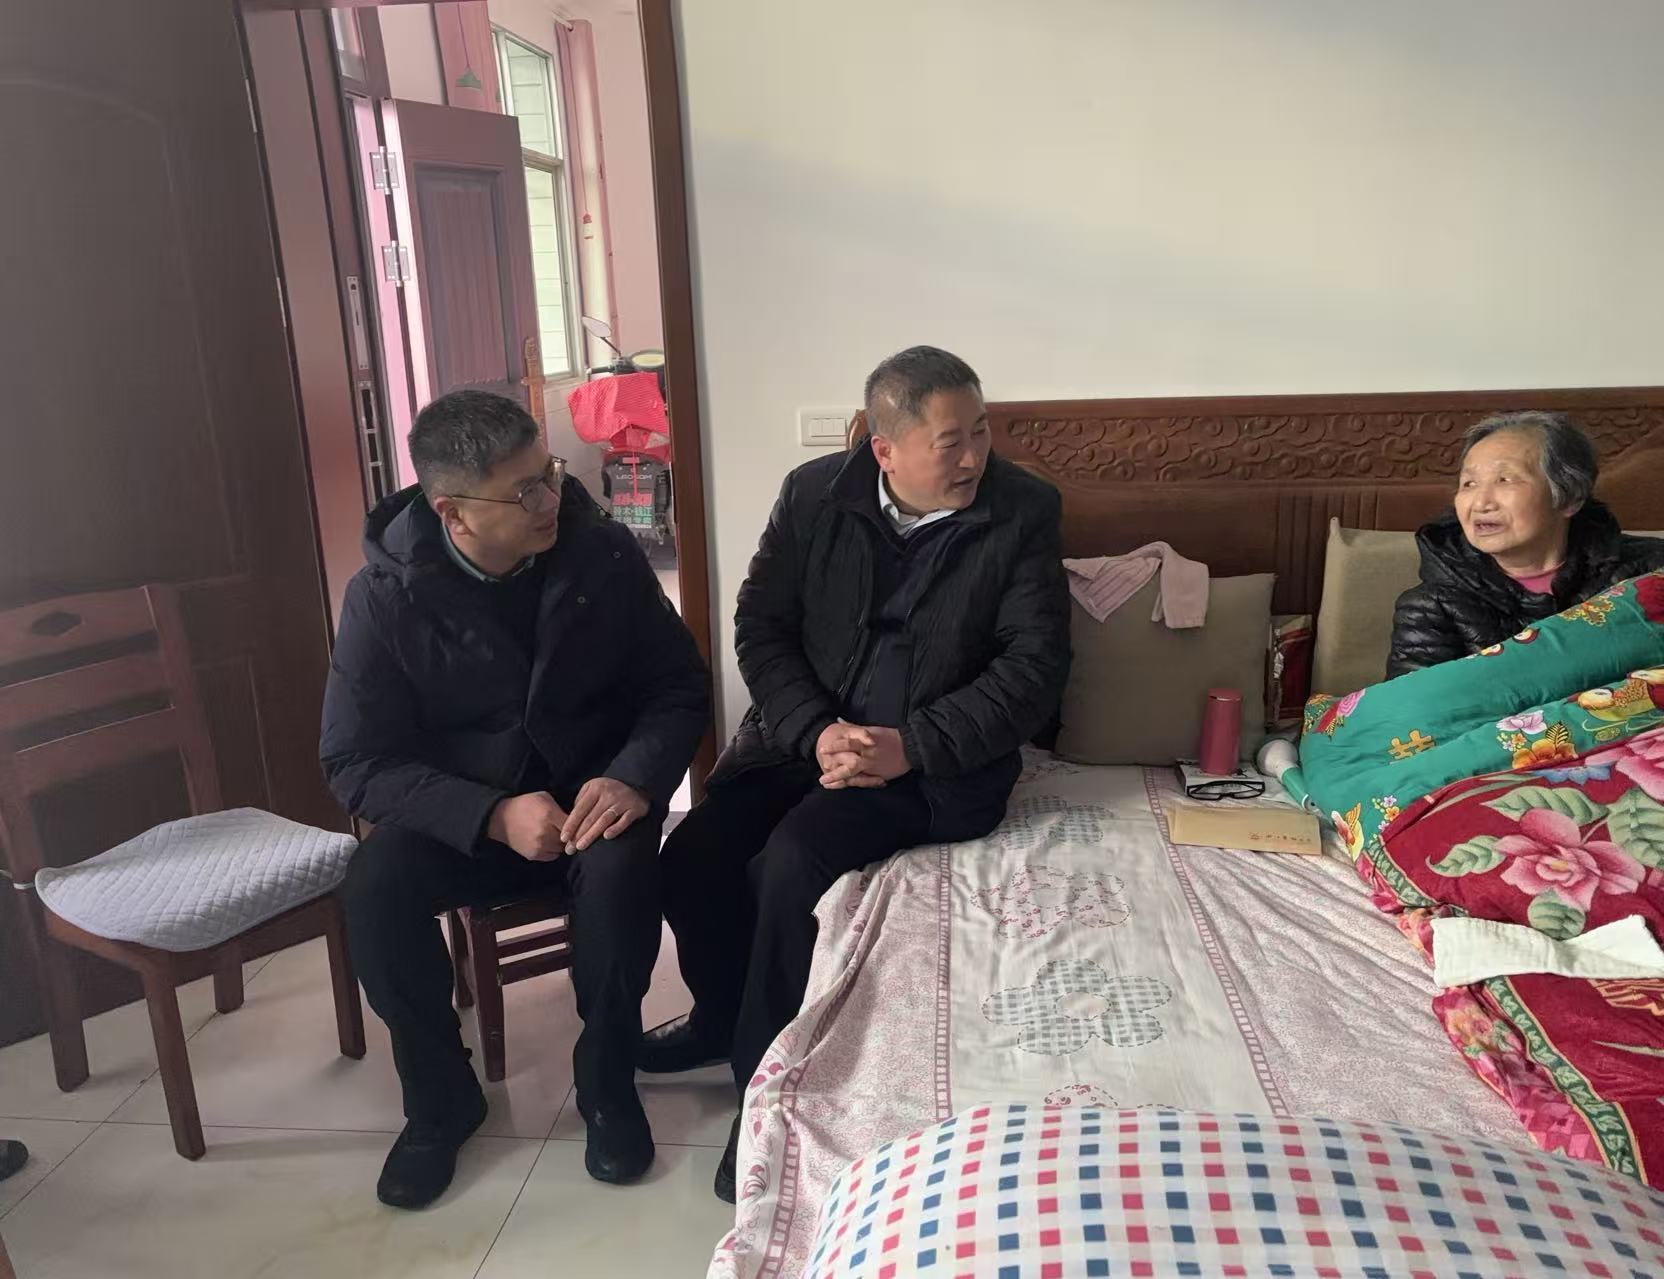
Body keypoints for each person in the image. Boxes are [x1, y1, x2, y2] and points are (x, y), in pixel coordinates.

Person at [637, 346, 1071, 1201]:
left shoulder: (1023, 510)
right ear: (884, 448)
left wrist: (913, 743)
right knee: (689, 857)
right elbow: (761, 626)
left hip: (932, 768)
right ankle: (719, 1017)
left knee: (791, 863)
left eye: (982, 431)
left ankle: (761, 1098)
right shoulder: (813, 495)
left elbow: (1033, 669)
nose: (975, 456)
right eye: (951, 440)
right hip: (803, 741)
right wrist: (816, 730)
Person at [321, 390, 708, 1209]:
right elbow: (355, 759)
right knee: (375, 886)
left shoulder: (601, 554)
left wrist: (633, 776)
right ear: (452, 512)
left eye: (550, 474)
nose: (552, 500)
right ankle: (440, 1101)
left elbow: (678, 685)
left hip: (594, 798)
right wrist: (489, 814)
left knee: (622, 878)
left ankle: (607, 1083)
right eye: (525, 490)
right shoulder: (385, 595)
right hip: (468, 815)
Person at [1388, 411, 1664, 677]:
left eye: (1504, 480)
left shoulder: (1649, 570)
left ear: (1569, 497)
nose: (1481, 503)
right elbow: (1414, 706)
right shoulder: (1429, 608)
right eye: (1469, 484)